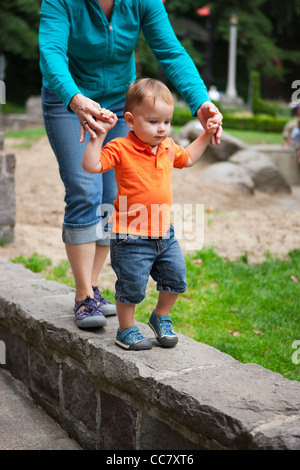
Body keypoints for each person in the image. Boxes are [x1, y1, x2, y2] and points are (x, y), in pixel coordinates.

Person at [39, 0, 223, 329]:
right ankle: (83, 296)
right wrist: (75, 98)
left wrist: (202, 102)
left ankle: (92, 288)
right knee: (85, 187)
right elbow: (51, 51)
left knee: (115, 197)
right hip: (70, 99)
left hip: (121, 103)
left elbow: (170, 50)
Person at [82, 78, 222, 350]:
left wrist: (205, 134)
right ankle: (126, 329)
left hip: (164, 232)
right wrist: (98, 137)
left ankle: (160, 316)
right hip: (130, 236)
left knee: (176, 277)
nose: (162, 128)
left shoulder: (168, 147)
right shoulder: (120, 148)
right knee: (132, 286)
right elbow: (91, 165)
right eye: (154, 121)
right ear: (131, 121)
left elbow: (189, 159)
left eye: (167, 122)